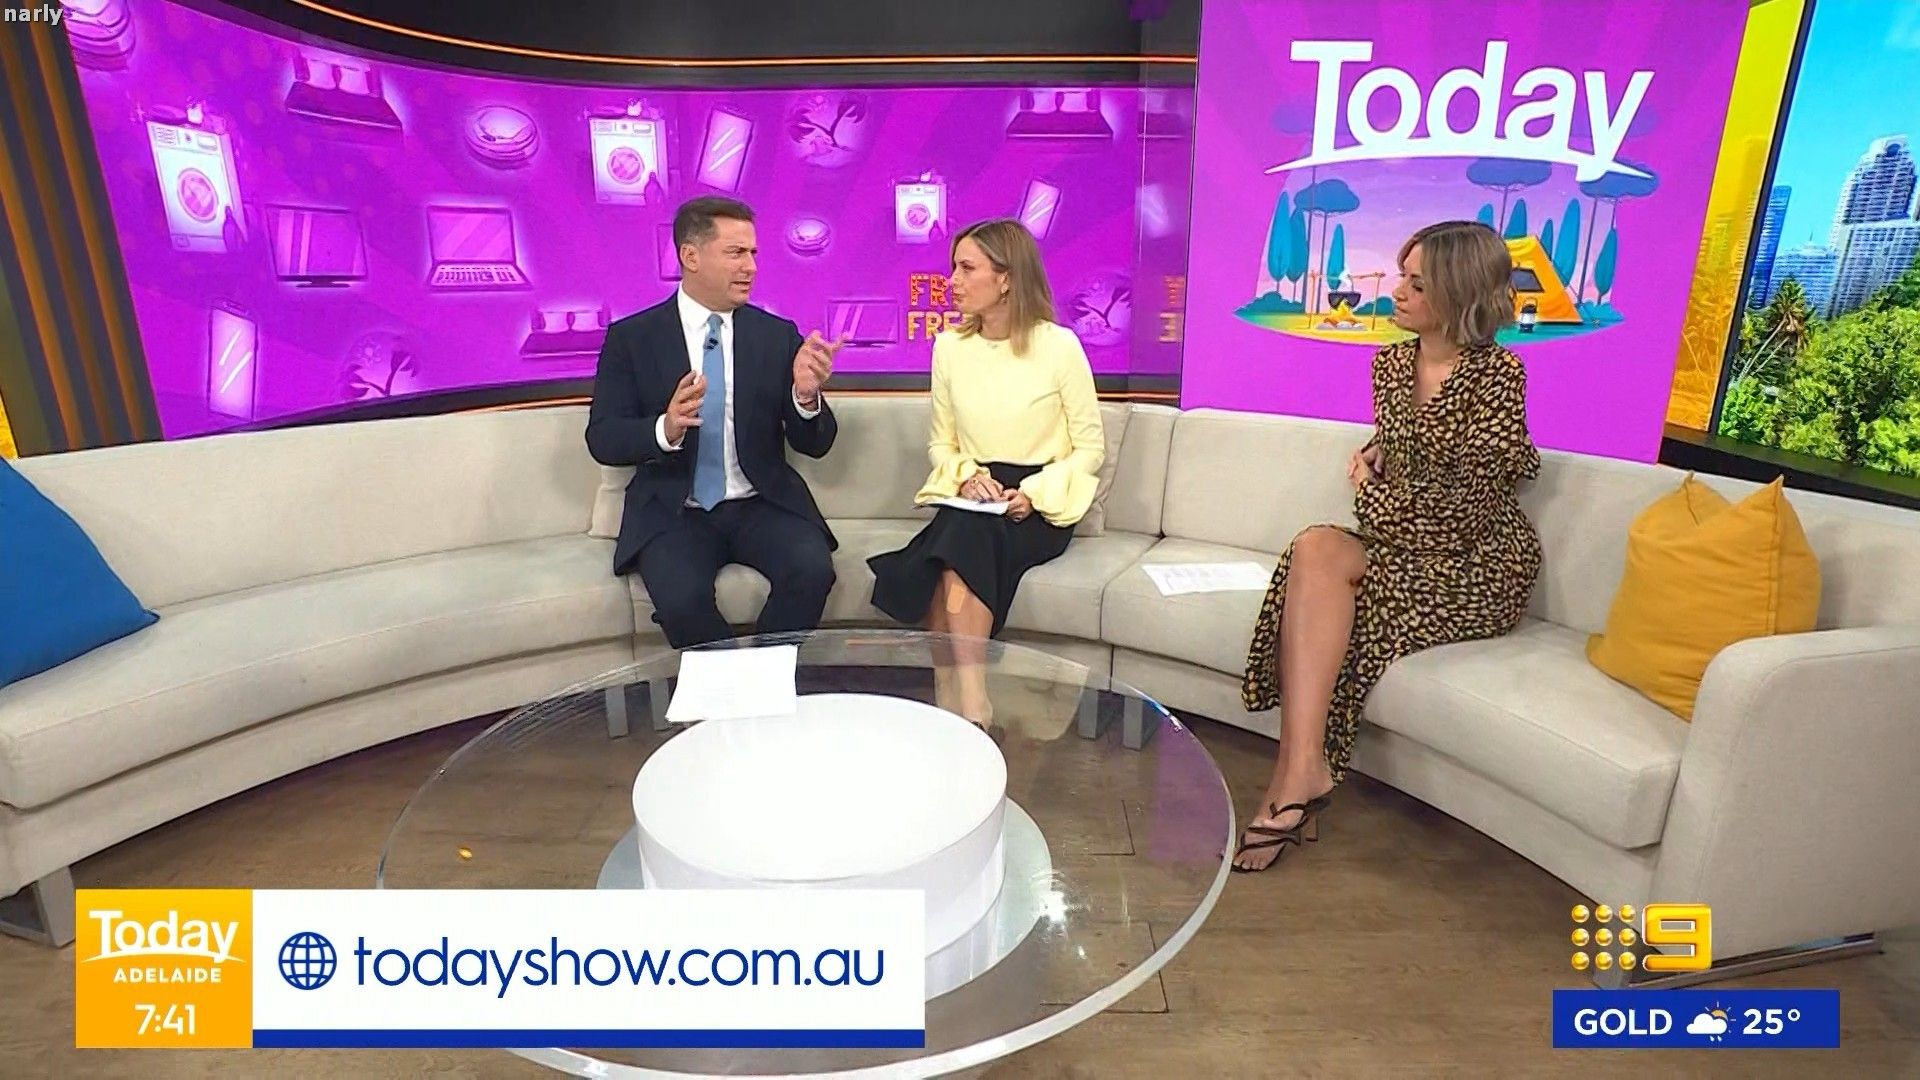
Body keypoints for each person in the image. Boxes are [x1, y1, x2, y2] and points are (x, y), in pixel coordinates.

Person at [1232, 220, 1542, 872]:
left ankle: (1292, 782)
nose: (1398, 291)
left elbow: (1463, 513)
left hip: (1477, 562)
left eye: (1417, 284)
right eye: (1403, 276)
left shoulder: (1498, 375)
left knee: (1333, 598)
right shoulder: (1391, 364)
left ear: (1458, 295)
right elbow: (1414, 452)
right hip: (1405, 540)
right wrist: (1381, 453)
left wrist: (1375, 488)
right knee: (1314, 551)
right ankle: (1303, 768)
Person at [867, 218, 1104, 725]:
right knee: (964, 532)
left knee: (952, 549)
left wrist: (1033, 494)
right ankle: (971, 703)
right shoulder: (950, 348)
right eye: (954, 267)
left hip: (1040, 503)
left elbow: (1090, 448)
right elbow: (942, 443)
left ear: (1007, 278)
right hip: (975, 493)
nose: (952, 280)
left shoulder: (1059, 346)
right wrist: (966, 477)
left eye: (966, 268)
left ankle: (960, 701)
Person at [586, 196, 845, 649]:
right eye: (736, 253)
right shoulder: (633, 338)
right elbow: (603, 436)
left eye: (754, 253)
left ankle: (762, 679)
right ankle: (733, 688)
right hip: (675, 510)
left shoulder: (775, 335)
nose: (751, 267)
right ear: (691, 256)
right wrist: (665, 429)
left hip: (760, 503)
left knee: (812, 570)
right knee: (681, 599)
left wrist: (805, 397)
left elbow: (816, 443)